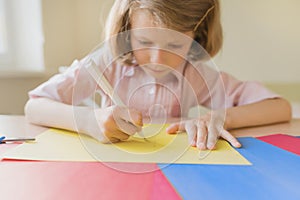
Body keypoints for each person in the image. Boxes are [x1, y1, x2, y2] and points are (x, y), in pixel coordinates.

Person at [25, 0, 291, 150]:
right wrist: (88, 121)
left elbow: (279, 108)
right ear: (127, 29)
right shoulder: (108, 61)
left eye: (174, 45)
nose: (157, 60)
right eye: (144, 42)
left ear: (197, 36)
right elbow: (34, 106)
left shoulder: (194, 74)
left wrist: (219, 117)